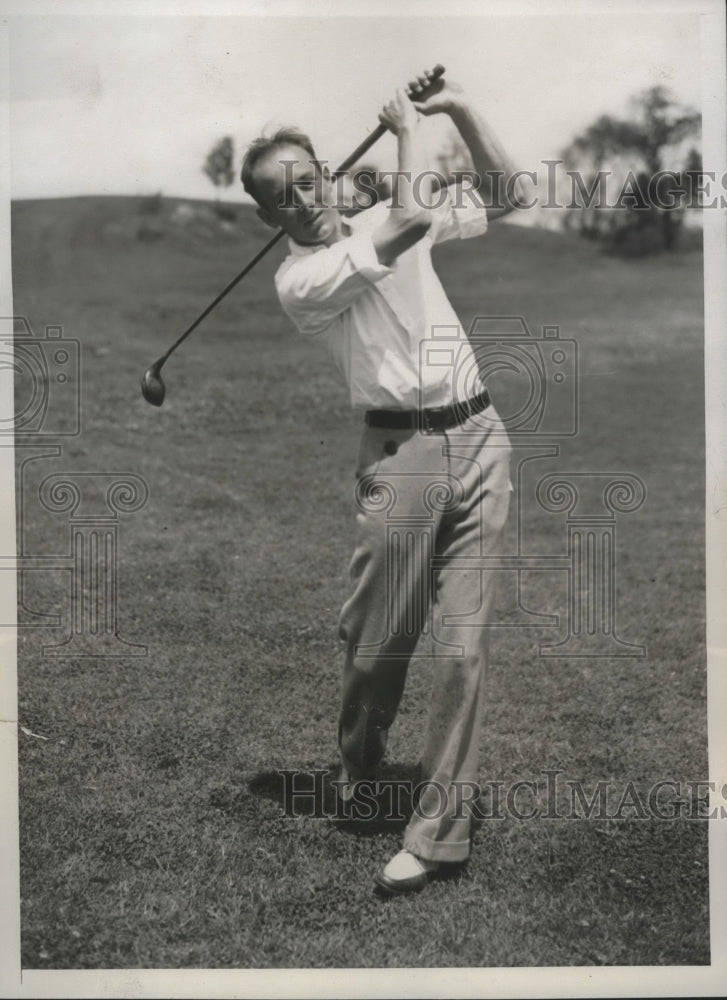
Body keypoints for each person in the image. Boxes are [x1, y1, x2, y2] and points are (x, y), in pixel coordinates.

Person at [240, 69, 525, 894]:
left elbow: (508, 194)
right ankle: (360, 769)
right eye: (282, 198)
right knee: (375, 646)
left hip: (480, 437)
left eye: (308, 178)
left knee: (462, 652)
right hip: (397, 459)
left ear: (327, 173)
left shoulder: (375, 211)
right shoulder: (299, 282)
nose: (303, 200)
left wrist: (460, 110)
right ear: (268, 219)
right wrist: (404, 131)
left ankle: (436, 836)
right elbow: (407, 218)